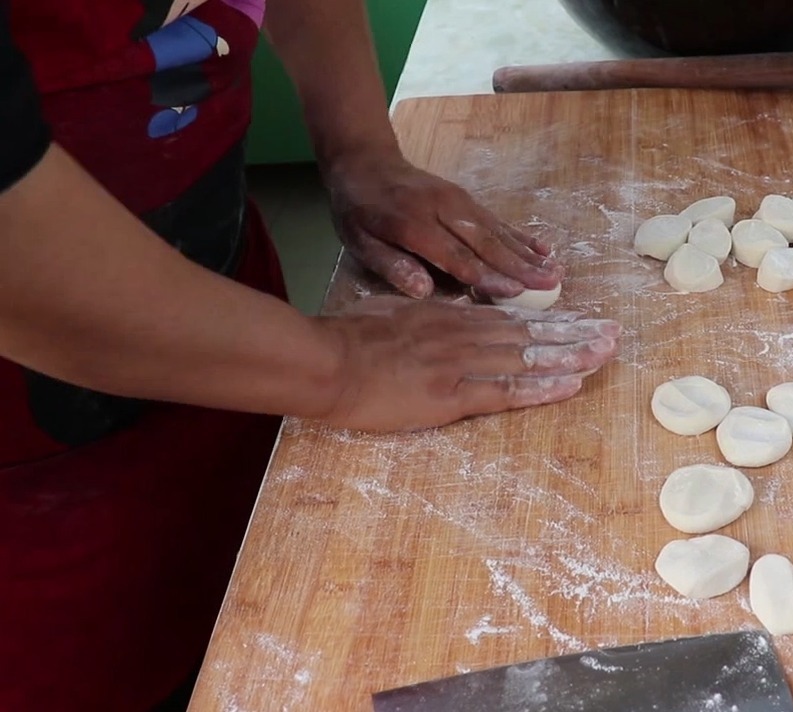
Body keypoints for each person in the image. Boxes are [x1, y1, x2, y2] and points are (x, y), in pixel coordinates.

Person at [0, 0, 621, 709]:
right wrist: (344, 369)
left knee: (272, 615)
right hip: (28, 473)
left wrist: (359, 146)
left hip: (225, 311)